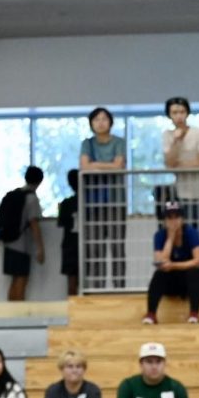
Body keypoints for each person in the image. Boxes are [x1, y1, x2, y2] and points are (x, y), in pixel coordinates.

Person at [79, 107, 127, 288]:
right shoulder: (87, 143)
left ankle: (118, 287)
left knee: (117, 247)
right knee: (95, 247)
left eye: (104, 119)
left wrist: (95, 165)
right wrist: (108, 165)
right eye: (96, 119)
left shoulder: (119, 142)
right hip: (93, 203)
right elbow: (84, 166)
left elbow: (119, 165)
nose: (100, 122)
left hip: (116, 201)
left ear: (111, 122)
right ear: (91, 123)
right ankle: (96, 287)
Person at [143, 201, 199, 324]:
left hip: (191, 281)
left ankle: (194, 313)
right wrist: (171, 237)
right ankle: (151, 314)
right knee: (159, 275)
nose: (173, 221)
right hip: (173, 280)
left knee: (194, 272)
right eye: (169, 218)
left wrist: (174, 265)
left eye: (176, 217)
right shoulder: (160, 235)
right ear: (165, 220)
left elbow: (198, 261)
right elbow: (161, 261)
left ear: (182, 218)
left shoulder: (191, 233)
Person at [162, 96, 199, 244]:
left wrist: (180, 165)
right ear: (169, 115)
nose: (179, 116)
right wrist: (176, 141)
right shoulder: (167, 135)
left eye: (182, 112)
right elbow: (170, 164)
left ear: (187, 113)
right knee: (185, 236)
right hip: (182, 194)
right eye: (174, 112)